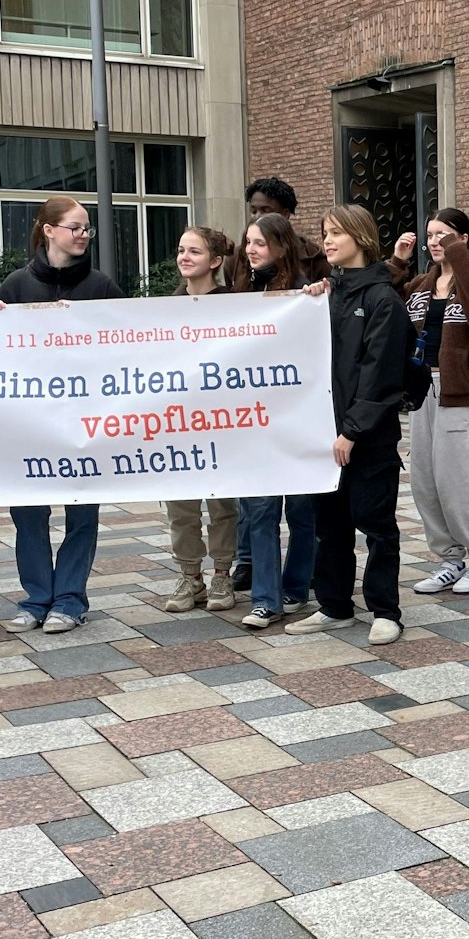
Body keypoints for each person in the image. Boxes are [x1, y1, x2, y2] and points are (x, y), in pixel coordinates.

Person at [0, 196, 121, 634]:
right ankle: (35, 598)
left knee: (81, 515)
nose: (83, 235)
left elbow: (128, 351)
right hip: (28, 424)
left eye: (87, 229)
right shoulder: (13, 288)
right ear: (48, 230)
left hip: (84, 425)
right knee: (28, 515)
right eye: (75, 227)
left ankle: (69, 598)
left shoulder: (102, 288)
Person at [289, 205, 408, 645]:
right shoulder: (327, 294)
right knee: (330, 525)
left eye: (337, 233)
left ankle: (385, 610)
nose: (328, 241)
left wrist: (352, 430)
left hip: (367, 437)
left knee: (376, 524)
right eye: (325, 233)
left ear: (360, 237)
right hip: (327, 432)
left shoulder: (383, 300)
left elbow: (380, 375)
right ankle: (334, 606)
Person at [393, 208, 469, 595]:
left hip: (457, 393)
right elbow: (384, 305)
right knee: (424, 482)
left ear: (461, 237)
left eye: (443, 234)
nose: (434, 242)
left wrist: (459, 255)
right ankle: (449, 558)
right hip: (421, 391)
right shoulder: (420, 286)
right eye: (430, 235)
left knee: (456, 482)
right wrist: (397, 262)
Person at [231, 215, 324, 628]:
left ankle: (295, 586)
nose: (251, 249)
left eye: (260, 243)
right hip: (252, 422)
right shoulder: (241, 290)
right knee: (260, 511)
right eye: (248, 242)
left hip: (298, 418)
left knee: (303, 512)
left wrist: (319, 296)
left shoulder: (306, 291)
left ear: (282, 247)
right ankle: (264, 598)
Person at [159, 226, 240, 616]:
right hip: (177, 421)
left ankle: (222, 572)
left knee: (222, 502)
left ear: (216, 260)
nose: (184, 257)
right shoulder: (163, 309)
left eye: (194, 251)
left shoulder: (233, 306)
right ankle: (190, 575)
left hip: (220, 420)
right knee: (181, 504)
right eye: (180, 250)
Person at [231, 176, 299, 591]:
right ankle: (248, 562)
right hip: (248, 396)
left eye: (266, 210)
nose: (257, 218)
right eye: (253, 211)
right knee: (252, 494)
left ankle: (294, 579)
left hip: (291, 398)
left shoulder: (310, 259)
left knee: (301, 503)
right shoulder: (244, 261)